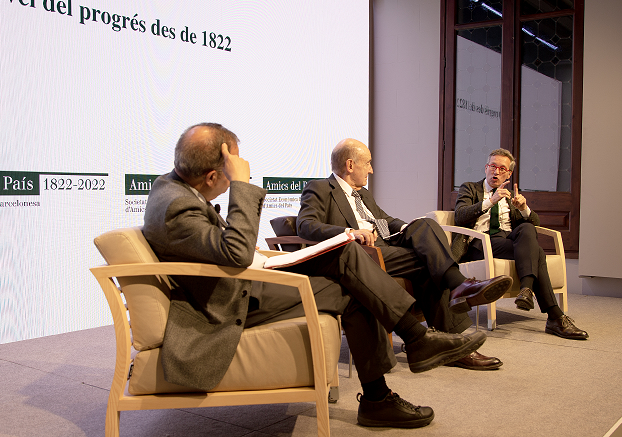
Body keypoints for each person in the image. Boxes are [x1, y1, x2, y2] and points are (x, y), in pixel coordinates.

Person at [143, 123, 488, 429]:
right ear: (212, 176)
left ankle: (405, 358)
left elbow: (225, 251)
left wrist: (400, 227)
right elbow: (237, 252)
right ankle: (389, 381)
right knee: (354, 271)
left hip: (246, 280)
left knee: (352, 258)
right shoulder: (176, 205)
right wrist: (243, 186)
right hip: (227, 303)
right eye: (232, 168)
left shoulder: (173, 189)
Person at [296, 138, 512, 371]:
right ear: (350, 165)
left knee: (425, 226)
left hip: (386, 247)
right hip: (361, 255)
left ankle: (453, 331)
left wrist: (411, 227)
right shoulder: (319, 188)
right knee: (429, 263)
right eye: (367, 163)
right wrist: (350, 232)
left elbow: (386, 221)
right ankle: (460, 297)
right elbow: (305, 225)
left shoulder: (364, 195)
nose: (371, 169)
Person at [452, 148, 588, 340]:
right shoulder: (470, 188)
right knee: (538, 253)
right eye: (493, 166)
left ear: (509, 173)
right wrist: (491, 201)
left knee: (528, 229)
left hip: (505, 241)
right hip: (479, 244)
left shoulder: (510, 196)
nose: (496, 172)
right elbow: (460, 216)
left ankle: (528, 293)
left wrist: (524, 209)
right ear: (486, 168)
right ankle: (554, 315)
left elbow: (534, 224)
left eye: (502, 168)